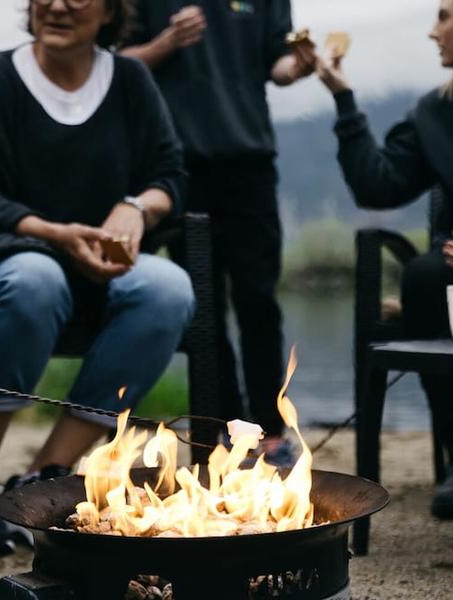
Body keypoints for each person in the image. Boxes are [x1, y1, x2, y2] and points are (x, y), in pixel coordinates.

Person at [0, 0, 195, 558]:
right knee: (35, 279)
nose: (57, 4)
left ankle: (46, 476)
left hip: (105, 271)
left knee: (169, 288)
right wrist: (55, 234)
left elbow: (169, 175)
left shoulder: (130, 78)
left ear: (111, 11)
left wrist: (136, 208)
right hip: (9, 257)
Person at [314, 0, 453, 517]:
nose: (432, 32)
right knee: (423, 276)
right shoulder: (435, 112)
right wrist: (343, 98)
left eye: (444, 16)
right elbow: (378, 184)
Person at [120, 1, 315, 465]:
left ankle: (270, 431)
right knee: (202, 308)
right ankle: (221, 430)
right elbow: (118, 63)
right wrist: (166, 43)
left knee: (259, 300)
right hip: (179, 168)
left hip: (250, 161)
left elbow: (279, 66)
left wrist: (301, 65)